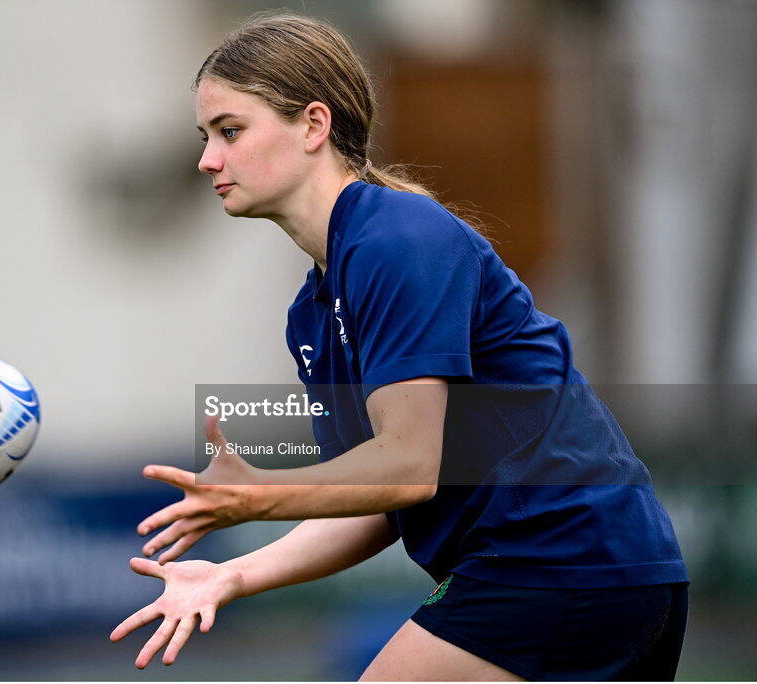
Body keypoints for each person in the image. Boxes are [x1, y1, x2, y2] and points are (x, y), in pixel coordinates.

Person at [110, 13, 688, 681]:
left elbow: (407, 465)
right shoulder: (313, 312)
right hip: (587, 571)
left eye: (230, 131)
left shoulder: (396, 240)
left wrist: (262, 495)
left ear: (314, 126)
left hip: (559, 563)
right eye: (207, 137)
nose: (209, 159)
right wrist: (230, 575)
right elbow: (385, 499)